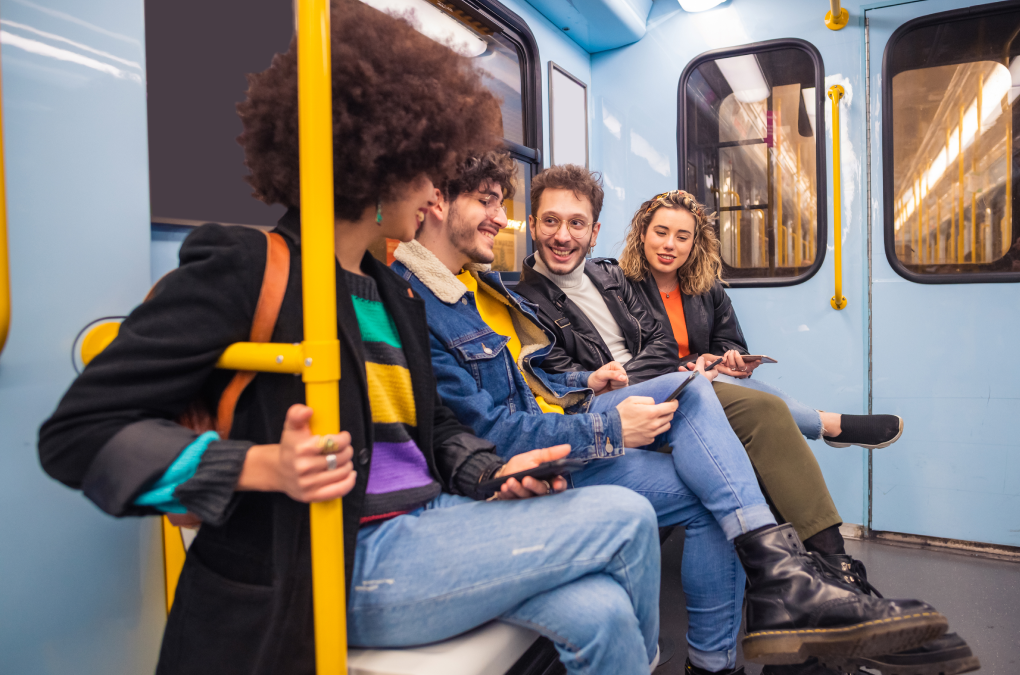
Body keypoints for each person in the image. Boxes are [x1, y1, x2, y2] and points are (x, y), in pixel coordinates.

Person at [36, 4, 665, 674]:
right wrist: (261, 466)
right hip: (334, 562)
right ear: (379, 167)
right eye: (427, 173)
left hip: (427, 524)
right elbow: (78, 432)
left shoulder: (392, 288)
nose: (431, 198)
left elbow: (432, 428)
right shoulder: (249, 268)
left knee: (599, 610)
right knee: (625, 515)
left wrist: (488, 470)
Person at [391, 151, 947, 675]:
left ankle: (725, 652)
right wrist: (606, 407)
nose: (499, 220)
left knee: (708, 440)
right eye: (489, 204)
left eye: (577, 223)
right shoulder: (474, 296)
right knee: (704, 394)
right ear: (438, 202)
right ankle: (809, 568)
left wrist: (619, 374)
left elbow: (621, 350)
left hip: (597, 405)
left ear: (595, 232)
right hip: (561, 435)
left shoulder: (496, 286)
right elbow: (502, 417)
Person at [617, 188, 903, 450]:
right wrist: (694, 361)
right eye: (661, 233)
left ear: (694, 244)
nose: (670, 245)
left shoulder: (706, 289)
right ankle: (827, 424)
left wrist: (731, 359)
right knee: (748, 401)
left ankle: (825, 425)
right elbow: (623, 362)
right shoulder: (617, 288)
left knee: (741, 397)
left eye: (682, 237)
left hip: (710, 384)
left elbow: (730, 341)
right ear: (642, 233)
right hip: (653, 392)